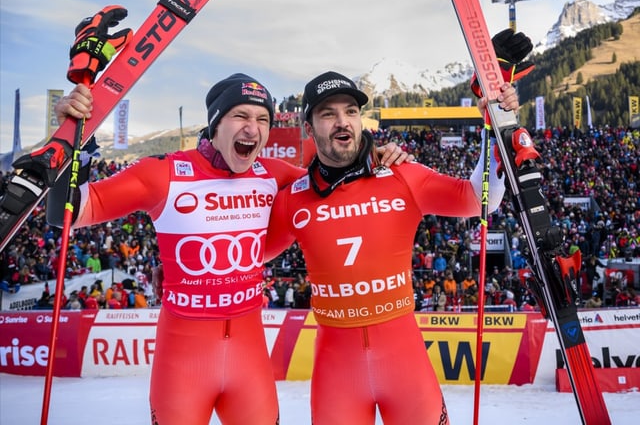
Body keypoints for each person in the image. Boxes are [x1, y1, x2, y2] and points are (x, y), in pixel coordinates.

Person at [52, 72, 410, 423]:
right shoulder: (163, 174)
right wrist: (70, 140)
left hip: (249, 363)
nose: (252, 128)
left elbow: (340, 177)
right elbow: (68, 212)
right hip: (182, 365)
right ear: (216, 123)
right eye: (240, 115)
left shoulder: (276, 174)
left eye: (262, 119)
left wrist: (378, 155)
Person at [265, 70, 520, 424]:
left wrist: (498, 127)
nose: (343, 122)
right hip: (337, 375)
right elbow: (250, 253)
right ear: (309, 129)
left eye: (351, 111)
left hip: (405, 367)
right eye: (328, 114)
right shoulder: (294, 199)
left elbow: (479, 199)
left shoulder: (400, 174)